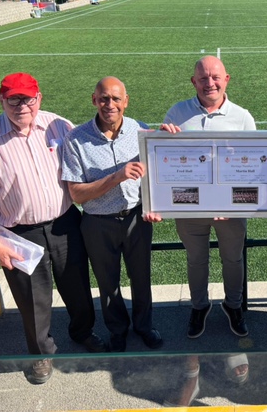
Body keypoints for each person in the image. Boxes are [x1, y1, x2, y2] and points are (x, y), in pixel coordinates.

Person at [0, 72, 105, 385]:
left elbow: (88, 159)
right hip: (19, 233)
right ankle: (40, 352)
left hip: (66, 223)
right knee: (32, 300)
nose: (21, 105)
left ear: (39, 98)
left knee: (78, 287)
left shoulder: (58, 125)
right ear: (1, 100)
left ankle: (83, 332)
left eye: (27, 98)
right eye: (13, 99)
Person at [61, 76, 162, 353]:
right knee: (108, 283)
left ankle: (144, 326)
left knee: (141, 277)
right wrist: (116, 176)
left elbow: (162, 170)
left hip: (136, 218)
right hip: (97, 222)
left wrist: (168, 136)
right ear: (94, 100)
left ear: (126, 102)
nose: (110, 104)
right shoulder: (76, 139)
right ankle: (117, 330)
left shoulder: (141, 130)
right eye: (104, 98)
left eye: (116, 98)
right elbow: (77, 194)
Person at [161, 55, 256, 340]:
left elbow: (253, 170)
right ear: (193, 81)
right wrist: (163, 139)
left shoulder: (242, 117)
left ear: (227, 79)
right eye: (203, 78)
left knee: (233, 260)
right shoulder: (177, 113)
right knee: (196, 260)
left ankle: (234, 305)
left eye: (215, 77)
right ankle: (199, 306)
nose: (209, 83)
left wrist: (233, 204)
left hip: (230, 209)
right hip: (188, 204)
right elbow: (163, 162)